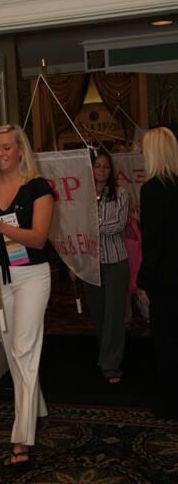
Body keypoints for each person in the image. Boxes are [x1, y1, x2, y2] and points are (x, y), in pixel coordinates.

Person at [0, 124, 54, 465]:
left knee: (23, 349)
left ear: (21, 150)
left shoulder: (38, 187)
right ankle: (36, 408)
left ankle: (22, 438)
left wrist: (2, 227)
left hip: (33, 277)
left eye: (6, 147)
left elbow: (38, 238)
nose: (1, 154)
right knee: (14, 351)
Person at [136, 127, 178, 419]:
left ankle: (170, 402)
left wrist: (142, 282)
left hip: (165, 280)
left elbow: (154, 242)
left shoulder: (152, 188)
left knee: (166, 342)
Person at [79, 151, 129, 384]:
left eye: (105, 167)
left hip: (116, 262)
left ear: (111, 170)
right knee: (99, 313)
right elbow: (76, 227)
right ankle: (107, 352)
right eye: (97, 166)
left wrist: (93, 227)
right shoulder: (82, 196)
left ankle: (111, 365)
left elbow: (118, 224)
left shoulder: (121, 193)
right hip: (91, 263)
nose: (101, 170)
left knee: (114, 314)